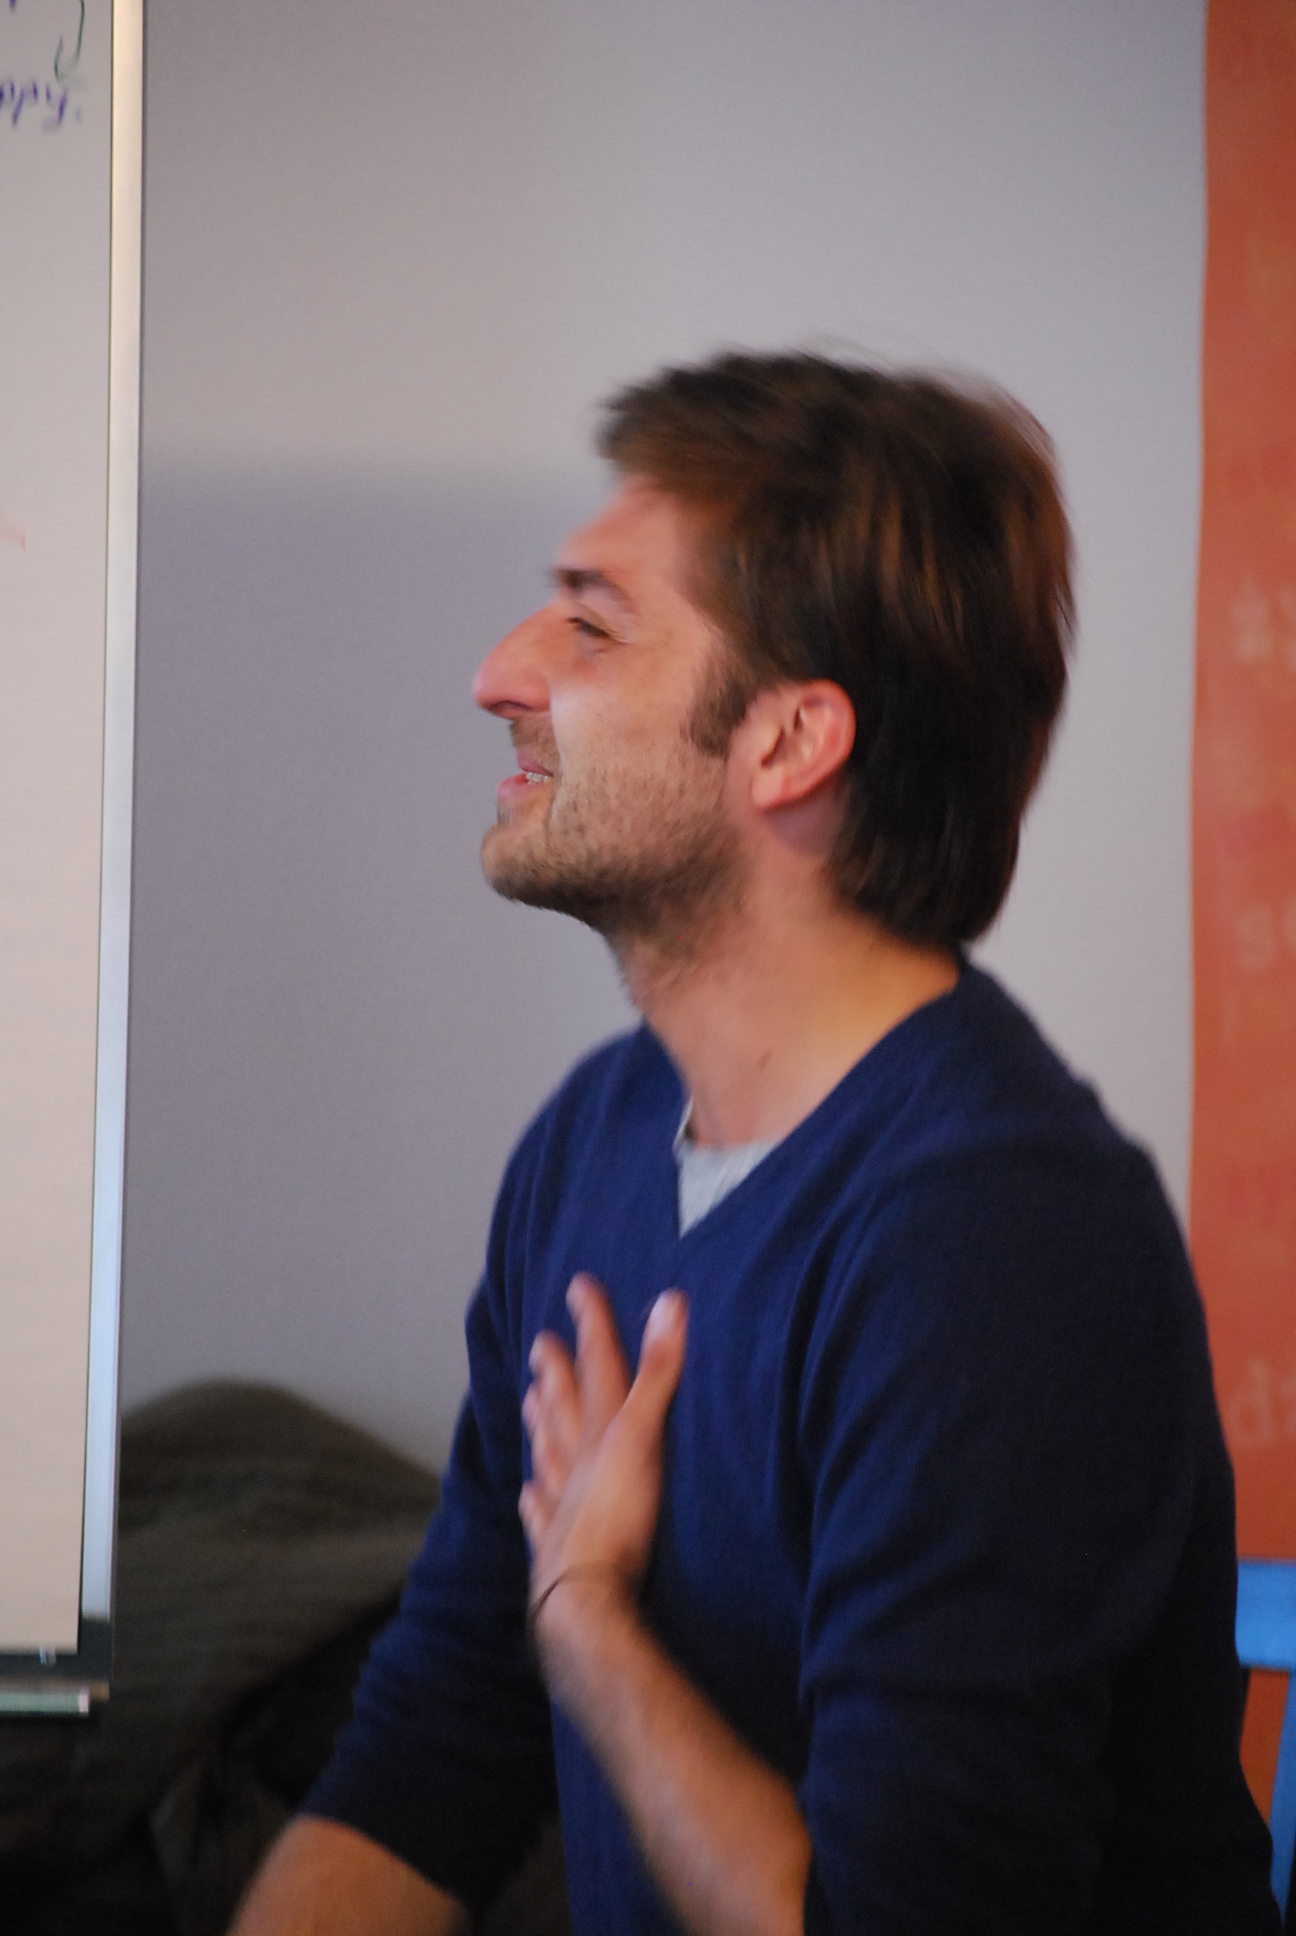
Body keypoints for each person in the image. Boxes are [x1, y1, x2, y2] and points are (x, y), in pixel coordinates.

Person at [232, 354, 1280, 1936]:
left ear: (790, 742)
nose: (501, 672)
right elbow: (434, 1746)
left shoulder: (1000, 1248)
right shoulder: (593, 1140)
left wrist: (592, 1625)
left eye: (593, 624)